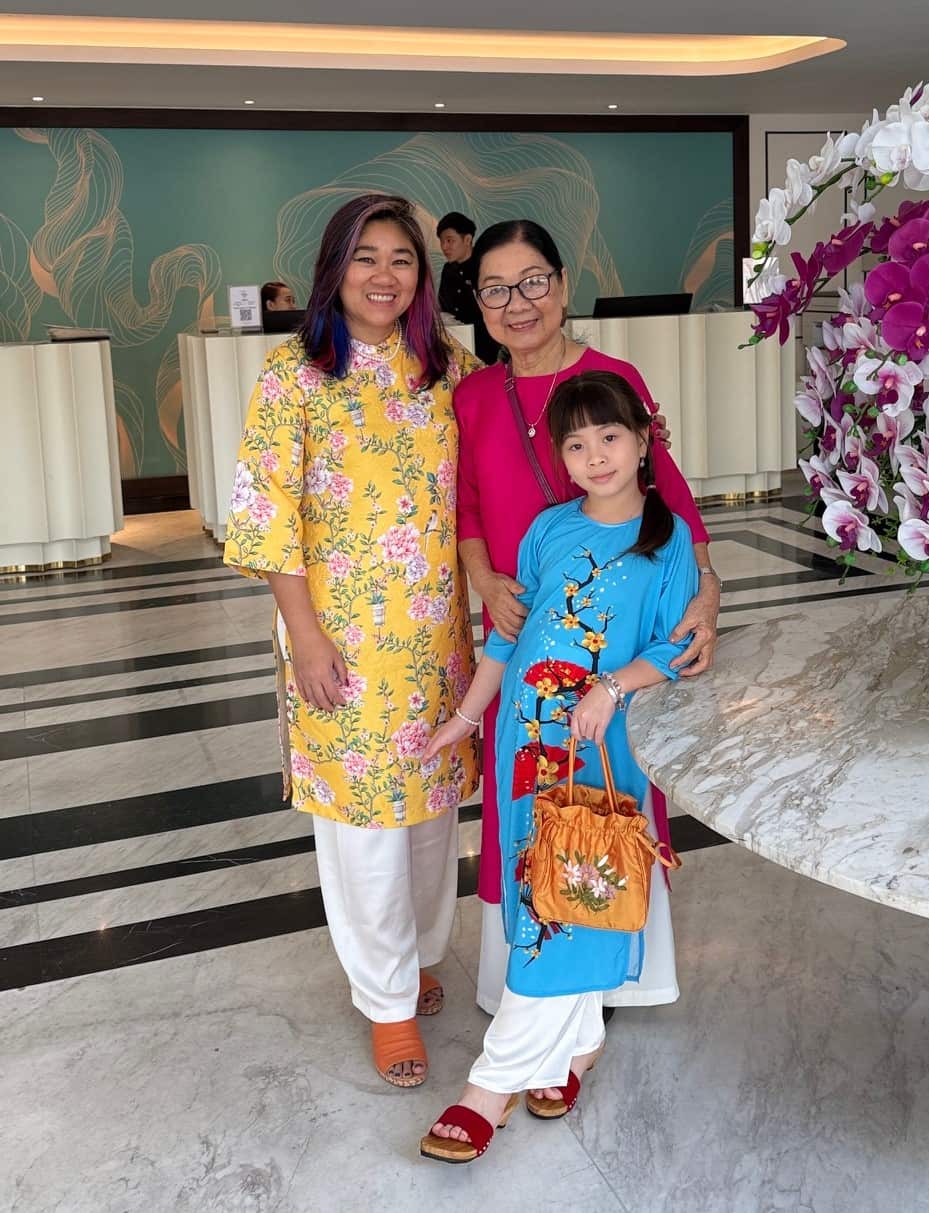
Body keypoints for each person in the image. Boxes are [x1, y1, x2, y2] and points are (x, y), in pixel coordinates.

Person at [224, 194, 481, 1090]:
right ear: (337, 268)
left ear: (421, 272)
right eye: (366, 257)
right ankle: (386, 1002)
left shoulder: (445, 367)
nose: (385, 275)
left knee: (428, 816)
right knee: (363, 827)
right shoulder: (294, 373)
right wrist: (305, 636)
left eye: (401, 258)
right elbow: (267, 514)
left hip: (436, 641)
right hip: (339, 642)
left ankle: (418, 958)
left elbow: (493, 475)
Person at [419, 370, 699, 1163]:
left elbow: (675, 647)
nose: (595, 455)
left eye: (610, 437)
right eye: (576, 444)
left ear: (644, 440)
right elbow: (510, 639)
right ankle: (576, 1050)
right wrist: (468, 719)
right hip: (523, 744)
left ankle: (488, 1087)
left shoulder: (668, 537)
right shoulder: (547, 530)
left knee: (571, 901)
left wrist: (613, 685)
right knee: (540, 894)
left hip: (600, 754)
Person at [452, 219, 720, 1018]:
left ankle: (604, 963)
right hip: (526, 641)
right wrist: (485, 577)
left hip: (615, 649)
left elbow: (667, 489)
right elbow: (465, 504)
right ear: (479, 302)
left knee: (605, 795)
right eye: (495, 289)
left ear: (564, 284)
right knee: (523, 803)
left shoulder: (611, 375)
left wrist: (705, 587)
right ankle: (532, 985)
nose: (517, 303)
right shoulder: (472, 393)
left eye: (533, 281)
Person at [436, 211, 500, 365]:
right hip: (456, 344)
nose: (444, 247)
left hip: (487, 347)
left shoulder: (485, 266)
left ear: (467, 239)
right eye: (442, 241)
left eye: (450, 240)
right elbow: (443, 307)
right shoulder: (448, 270)